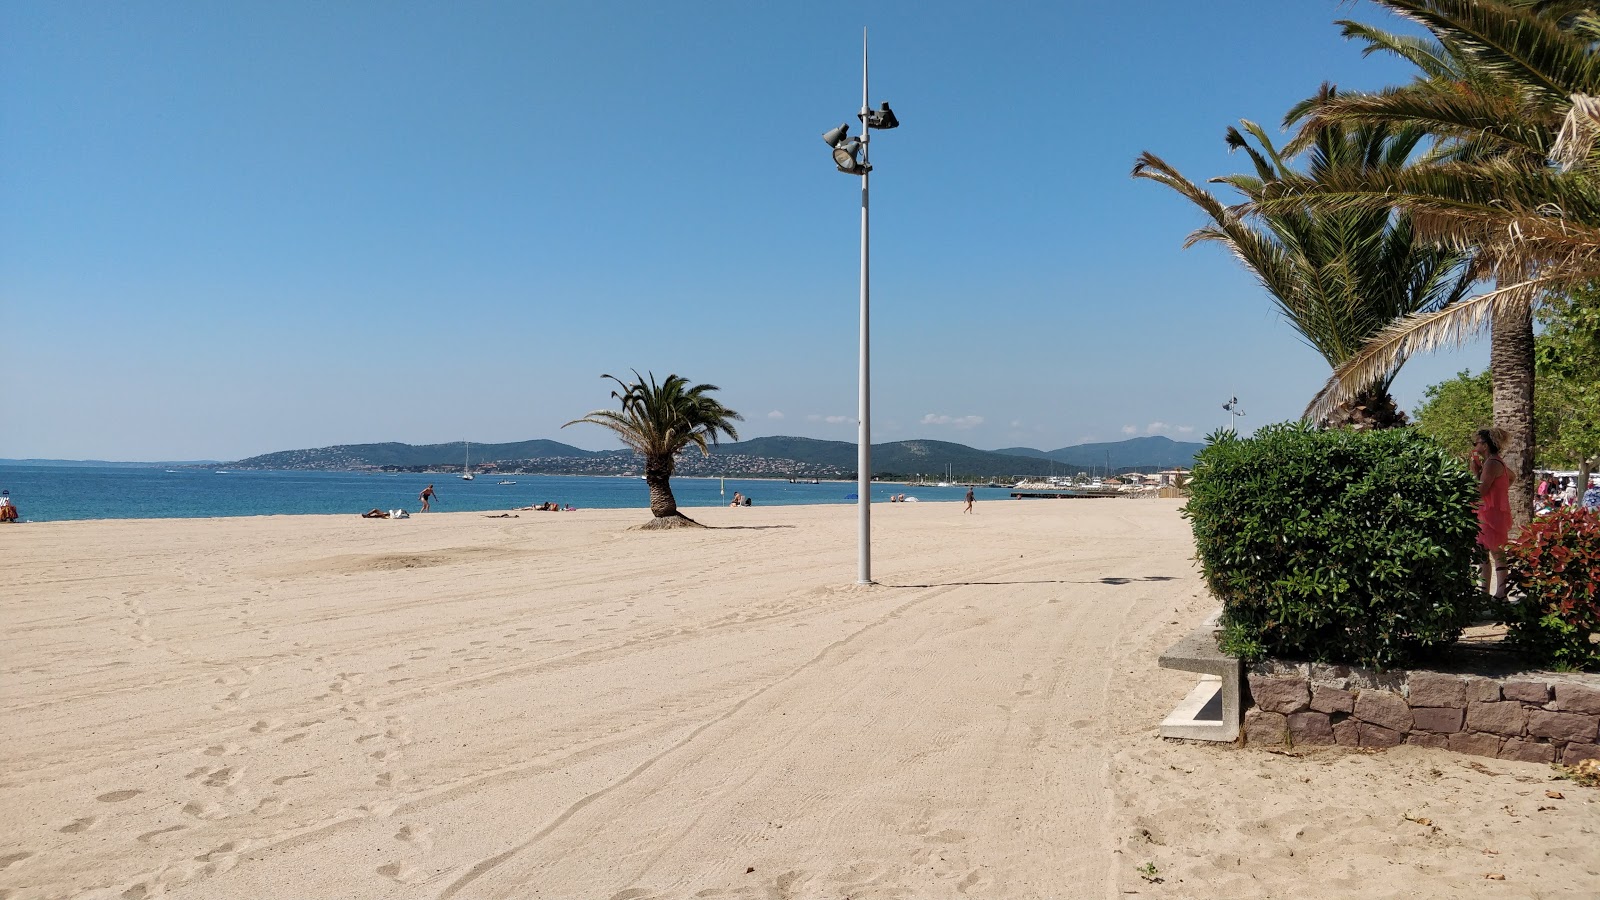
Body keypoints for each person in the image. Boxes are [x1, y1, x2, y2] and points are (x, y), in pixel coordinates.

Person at [1471, 428, 1513, 600]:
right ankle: (1496, 593)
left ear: (1486, 445)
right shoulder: (1497, 461)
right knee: (1494, 552)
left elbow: (1480, 491)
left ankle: (1492, 593)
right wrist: (1499, 493)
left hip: (1489, 514)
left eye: (1478, 442)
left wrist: (1475, 473)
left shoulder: (1491, 463)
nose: (1475, 445)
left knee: (1489, 552)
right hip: (1493, 512)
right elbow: (1512, 477)